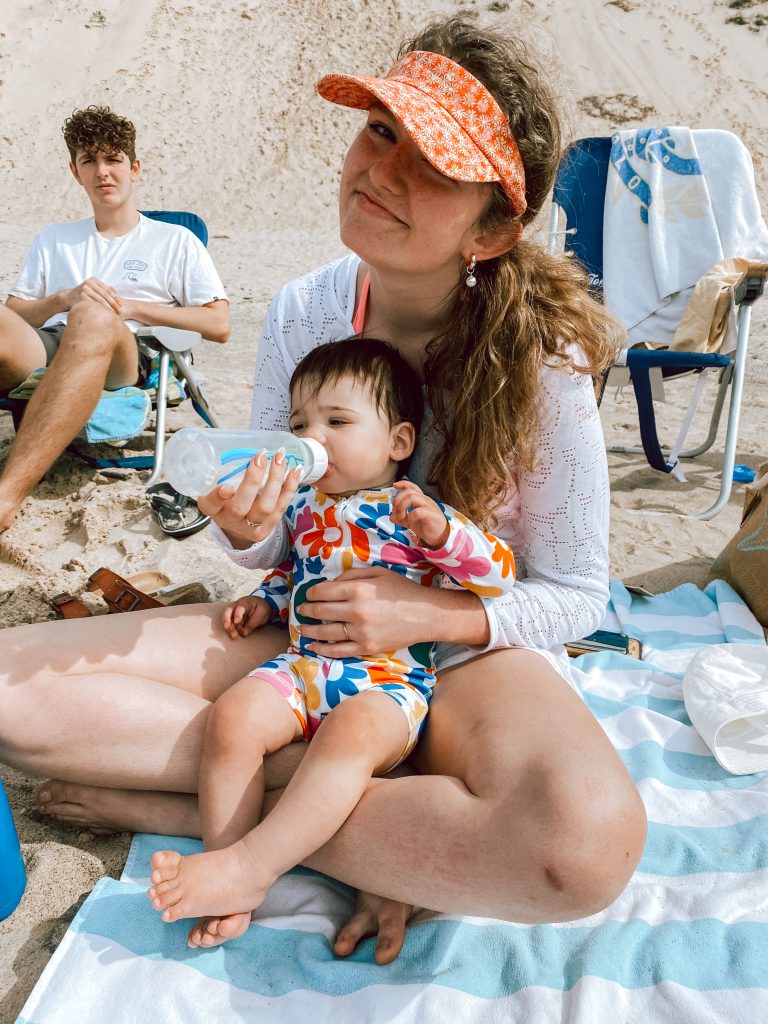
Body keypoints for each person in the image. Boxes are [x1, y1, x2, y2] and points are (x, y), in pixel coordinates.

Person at [2, 17, 647, 967]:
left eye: (432, 160)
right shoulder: (306, 309)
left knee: (582, 850)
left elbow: (575, 592)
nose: (382, 171)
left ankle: (205, 807)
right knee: (11, 695)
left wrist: (422, 609)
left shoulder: (542, 361)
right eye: (380, 129)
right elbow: (273, 543)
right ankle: (362, 818)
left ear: (496, 226)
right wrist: (248, 531)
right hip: (308, 624)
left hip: (463, 652)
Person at [147, 338, 517, 948]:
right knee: (234, 718)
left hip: (389, 684)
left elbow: (497, 574)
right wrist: (265, 600)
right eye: (299, 425)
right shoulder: (303, 509)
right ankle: (226, 867)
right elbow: (294, 572)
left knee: (350, 735)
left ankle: (252, 867)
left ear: (398, 442)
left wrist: (444, 534)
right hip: (304, 667)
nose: (313, 438)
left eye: (337, 422)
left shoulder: (412, 511)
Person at [0, 105, 230, 531]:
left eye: (113, 159)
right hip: (53, 341)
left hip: (128, 355)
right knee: (76, 312)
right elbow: (14, 315)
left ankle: (5, 497)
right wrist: (63, 298)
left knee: (93, 315)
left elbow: (219, 324)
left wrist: (129, 309)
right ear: (76, 172)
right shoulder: (54, 239)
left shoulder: (174, 240)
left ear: (134, 167)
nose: (103, 171)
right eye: (90, 161)